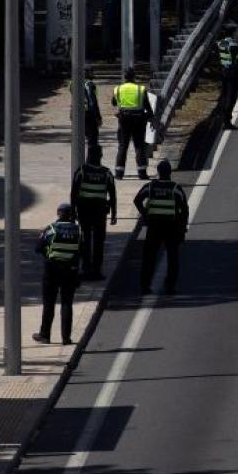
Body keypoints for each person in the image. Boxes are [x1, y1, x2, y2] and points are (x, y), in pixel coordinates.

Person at [134, 160, 189, 296]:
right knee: (172, 258)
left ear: (158, 172)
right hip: (171, 227)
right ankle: (170, 286)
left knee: (149, 257)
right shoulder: (176, 188)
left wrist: (145, 215)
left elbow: (137, 200)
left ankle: (145, 286)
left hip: (154, 227)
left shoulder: (151, 186)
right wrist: (182, 229)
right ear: (170, 172)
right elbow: (184, 210)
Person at [31, 203, 82, 345]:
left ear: (59, 213)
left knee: (49, 303)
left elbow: (38, 248)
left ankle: (45, 335)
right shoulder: (78, 231)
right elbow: (82, 252)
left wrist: (49, 254)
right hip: (70, 270)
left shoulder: (51, 229)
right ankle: (66, 338)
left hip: (51, 270)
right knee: (67, 303)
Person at [70, 146, 117, 280]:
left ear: (88, 155)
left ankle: (86, 269)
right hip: (99, 212)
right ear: (100, 156)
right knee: (98, 241)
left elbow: (73, 194)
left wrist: (73, 213)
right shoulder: (106, 173)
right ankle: (96, 270)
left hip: (84, 211)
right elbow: (113, 195)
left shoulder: (81, 171)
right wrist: (114, 214)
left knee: (85, 240)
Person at [111, 67, 152, 180]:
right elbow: (147, 106)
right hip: (139, 119)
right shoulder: (141, 89)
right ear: (134, 76)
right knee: (139, 146)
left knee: (123, 146)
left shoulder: (118, 89)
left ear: (125, 77)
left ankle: (119, 173)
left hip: (124, 119)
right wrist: (150, 117)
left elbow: (114, 103)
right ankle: (142, 173)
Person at [216, 22, 238, 129]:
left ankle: (224, 119)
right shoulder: (234, 44)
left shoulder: (222, 43)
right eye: (237, 31)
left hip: (224, 72)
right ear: (233, 33)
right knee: (231, 97)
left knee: (225, 96)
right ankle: (226, 121)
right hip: (233, 74)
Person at [81, 72, 101, 154]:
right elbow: (93, 102)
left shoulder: (74, 83)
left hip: (77, 113)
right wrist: (98, 116)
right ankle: (91, 160)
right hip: (89, 114)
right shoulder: (90, 85)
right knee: (92, 139)